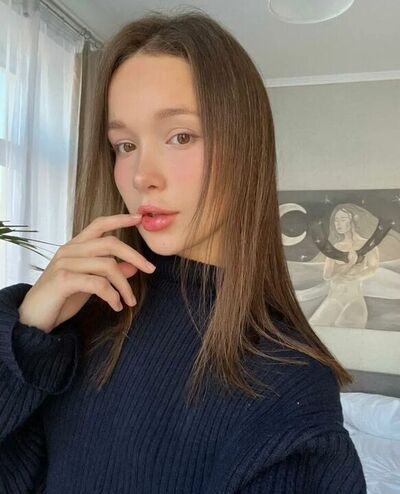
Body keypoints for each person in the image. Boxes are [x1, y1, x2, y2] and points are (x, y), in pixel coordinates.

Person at [0, 9, 366, 493]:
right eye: (124, 145)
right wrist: (26, 333)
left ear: (245, 147)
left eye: (180, 136)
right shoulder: (84, 316)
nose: (141, 176)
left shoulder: (288, 390)